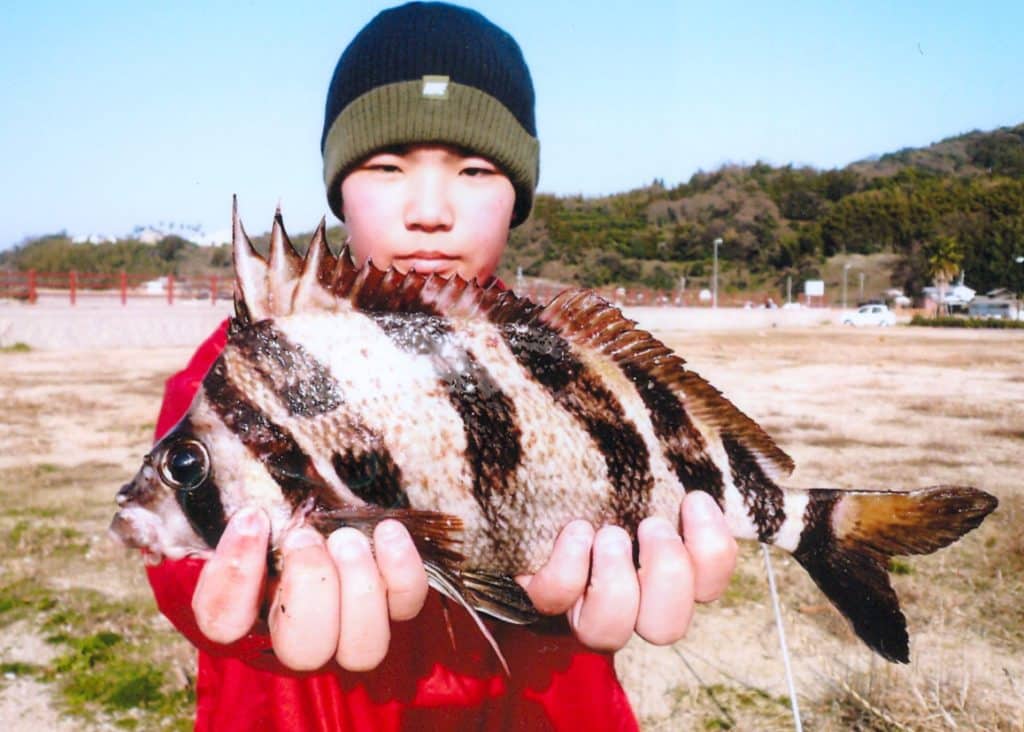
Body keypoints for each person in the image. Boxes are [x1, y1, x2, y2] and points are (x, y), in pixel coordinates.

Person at [146, 3, 738, 729]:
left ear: (518, 194)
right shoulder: (239, 368)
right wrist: (261, 605)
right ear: (338, 187)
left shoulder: (550, 362)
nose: (430, 210)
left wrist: (577, 597)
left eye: (476, 167)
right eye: (388, 165)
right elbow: (180, 564)